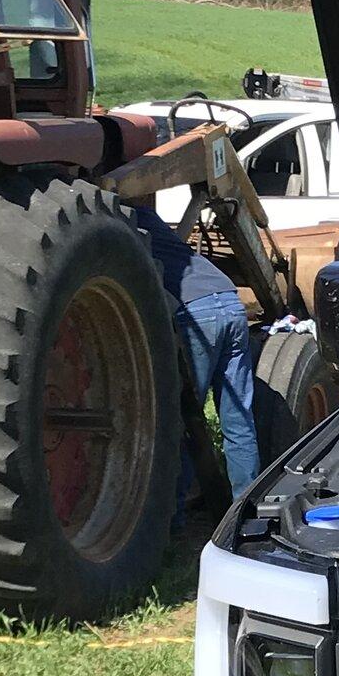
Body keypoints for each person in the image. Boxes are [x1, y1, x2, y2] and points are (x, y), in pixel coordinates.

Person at [131, 205, 260, 504]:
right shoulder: (145, 216)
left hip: (197, 311)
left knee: (184, 418)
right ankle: (245, 504)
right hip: (230, 302)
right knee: (239, 418)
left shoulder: (120, 218)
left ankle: (174, 511)